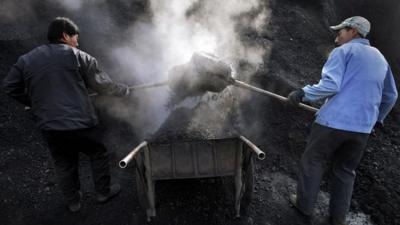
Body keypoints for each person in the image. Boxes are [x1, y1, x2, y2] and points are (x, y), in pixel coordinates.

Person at [3, 17, 131, 212]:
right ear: (65, 35)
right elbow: (103, 85)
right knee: (97, 153)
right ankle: (103, 193)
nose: (77, 42)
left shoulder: (25, 60)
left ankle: (74, 202)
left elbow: (9, 87)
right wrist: (123, 91)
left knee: (64, 162)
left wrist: (34, 102)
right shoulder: (79, 56)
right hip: (81, 123)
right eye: (75, 38)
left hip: (50, 126)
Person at [286, 16, 398, 225]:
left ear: (353, 31)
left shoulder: (343, 52)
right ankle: (338, 218)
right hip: (362, 130)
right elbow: (391, 96)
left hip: (333, 123)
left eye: (341, 31)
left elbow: (332, 85)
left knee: (313, 161)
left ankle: (304, 206)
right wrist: (377, 120)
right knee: (345, 171)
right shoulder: (381, 58)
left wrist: (303, 93)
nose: (337, 35)